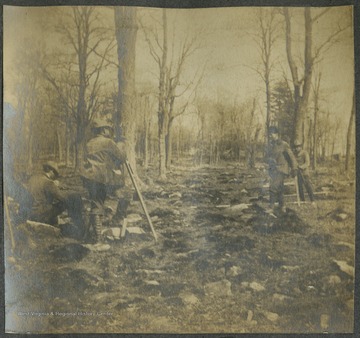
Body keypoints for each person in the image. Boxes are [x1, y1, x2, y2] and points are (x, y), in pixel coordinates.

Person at [81, 118, 128, 242]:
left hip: (89, 178)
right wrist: (121, 146)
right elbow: (121, 157)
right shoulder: (108, 143)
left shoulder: (88, 143)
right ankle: (98, 238)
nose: (109, 131)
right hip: (102, 178)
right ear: (103, 130)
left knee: (95, 203)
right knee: (124, 195)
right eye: (107, 129)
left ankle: (90, 235)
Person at [26, 161, 86, 238]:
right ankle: (79, 226)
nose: (55, 177)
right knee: (73, 198)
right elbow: (62, 198)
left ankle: (54, 221)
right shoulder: (48, 182)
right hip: (41, 214)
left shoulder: (32, 178)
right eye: (55, 174)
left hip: (31, 213)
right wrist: (56, 187)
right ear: (51, 171)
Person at [267, 126, 298, 213]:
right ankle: (283, 207)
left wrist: (294, 168)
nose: (270, 135)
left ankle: (271, 207)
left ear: (276, 134)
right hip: (274, 170)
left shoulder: (284, 144)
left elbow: (291, 157)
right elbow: (270, 158)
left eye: (272, 133)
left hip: (281, 169)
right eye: (269, 134)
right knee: (280, 189)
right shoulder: (272, 145)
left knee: (273, 187)